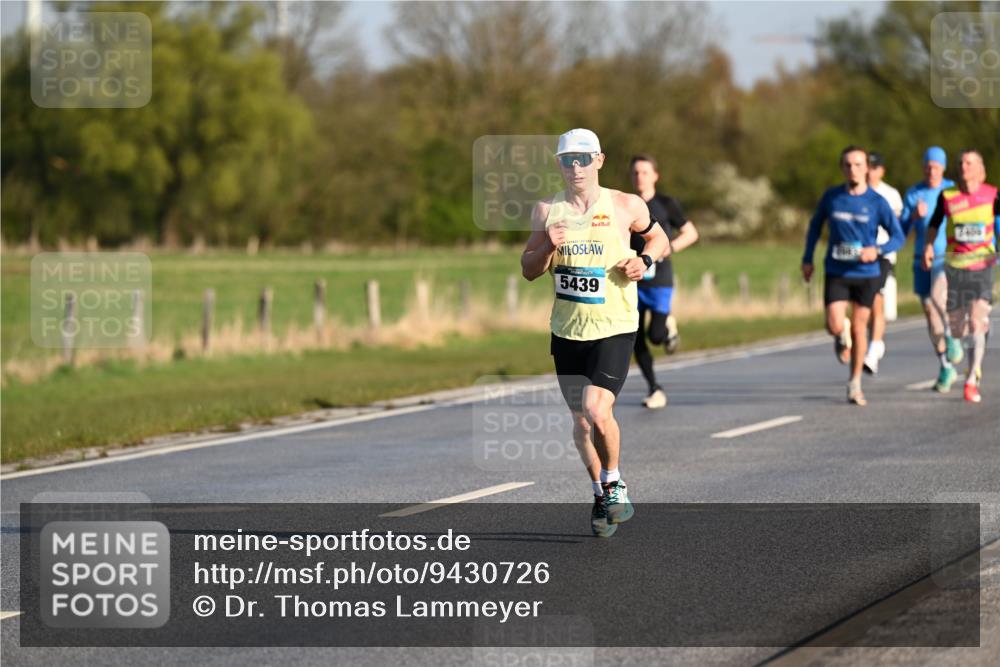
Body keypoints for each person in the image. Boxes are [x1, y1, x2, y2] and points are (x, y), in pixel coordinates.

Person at [520, 129, 668, 536]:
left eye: (584, 158)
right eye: (568, 160)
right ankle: (599, 493)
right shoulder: (546, 209)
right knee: (582, 423)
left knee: (597, 410)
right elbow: (529, 268)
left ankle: (615, 481)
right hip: (567, 330)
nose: (576, 167)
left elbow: (659, 238)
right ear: (559, 164)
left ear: (599, 160)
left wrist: (645, 259)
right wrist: (547, 246)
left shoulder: (625, 204)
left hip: (615, 325)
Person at [801, 145, 905, 406]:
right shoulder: (832, 197)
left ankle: (854, 383)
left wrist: (877, 250)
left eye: (858, 165)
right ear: (842, 168)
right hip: (837, 269)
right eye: (847, 165)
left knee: (861, 328)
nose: (853, 169)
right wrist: (807, 258)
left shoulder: (877, 202)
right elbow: (815, 227)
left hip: (867, 273)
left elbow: (899, 237)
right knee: (835, 323)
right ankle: (840, 333)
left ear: (867, 168)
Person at [923, 149, 999, 403]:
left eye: (969, 162)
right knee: (954, 324)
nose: (964, 166)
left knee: (976, 322)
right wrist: (929, 246)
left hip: (982, 267)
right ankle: (964, 341)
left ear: (981, 169)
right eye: (961, 163)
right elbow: (934, 223)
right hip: (954, 266)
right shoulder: (948, 196)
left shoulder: (993, 195)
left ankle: (971, 379)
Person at [628, 154, 700, 409]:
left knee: (655, 336)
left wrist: (670, 246)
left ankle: (667, 326)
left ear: (655, 175)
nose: (639, 177)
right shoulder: (625, 204)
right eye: (635, 172)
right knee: (634, 337)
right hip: (632, 280)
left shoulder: (666, 203)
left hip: (659, 280)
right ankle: (654, 388)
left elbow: (691, 233)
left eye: (645, 172)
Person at [900, 147, 960, 391]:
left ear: (943, 167)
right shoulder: (914, 193)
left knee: (939, 296)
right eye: (927, 165)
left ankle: (952, 336)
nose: (931, 169)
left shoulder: (952, 190)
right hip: (920, 258)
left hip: (946, 256)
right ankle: (946, 366)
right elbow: (901, 231)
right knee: (930, 314)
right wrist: (913, 216)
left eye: (935, 165)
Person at [864, 152, 904, 374]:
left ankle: (873, 351)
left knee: (875, 299)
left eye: (874, 167)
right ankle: (875, 343)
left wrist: (882, 248)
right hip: (859, 256)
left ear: (882, 170)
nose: (870, 171)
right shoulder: (855, 192)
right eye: (868, 166)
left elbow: (896, 229)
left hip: (882, 255)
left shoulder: (890, 194)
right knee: (865, 305)